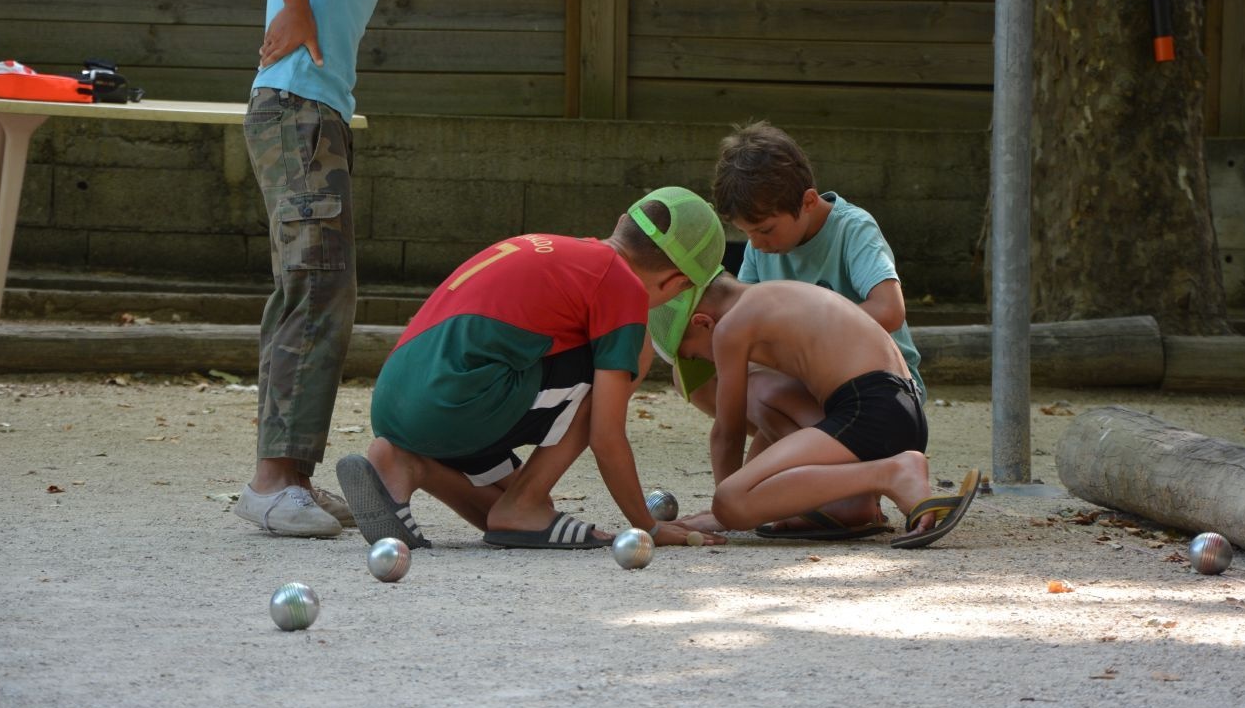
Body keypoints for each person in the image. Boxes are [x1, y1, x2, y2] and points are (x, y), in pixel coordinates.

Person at [235, 0, 501, 538]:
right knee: (315, 287)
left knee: (321, 289)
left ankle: (289, 475)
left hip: (314, 118)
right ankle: (271, 481)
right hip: (296, 115)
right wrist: (294, 6)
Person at [334, 187, 729, 551]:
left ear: (620, 223)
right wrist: (649, 526)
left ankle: (409, 464)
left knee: (512, 506)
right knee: (626, 357)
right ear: (678, 283)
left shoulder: (560, 250)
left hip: (400, 402)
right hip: (455, 401)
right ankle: (522, 506)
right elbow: (605, 436)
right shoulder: (622, 285)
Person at [677, 120, 929, 539]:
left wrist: (816, 331)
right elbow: (753, 344)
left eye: (766, 229)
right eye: (746, 233)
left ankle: (859, 486)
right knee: (728, 381)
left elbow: (889, 309)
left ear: (808, 201)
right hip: (829, 392)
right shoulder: (760, 261)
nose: (756, 244)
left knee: (756, 390)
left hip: (882, 392)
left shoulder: (853, 227)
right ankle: (834, 497)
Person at [651, 274, 979, 548]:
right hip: (899, 411)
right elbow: (770, 431)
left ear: (702, 322)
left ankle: (892, 473)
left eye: (692, 355)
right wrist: (757, 494)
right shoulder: (775, 296)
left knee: (732, 500)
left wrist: (726, 510)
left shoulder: (730, 327)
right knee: (748, 469)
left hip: (868, 411)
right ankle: (870, 486)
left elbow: (728, 431)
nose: (704, 362)